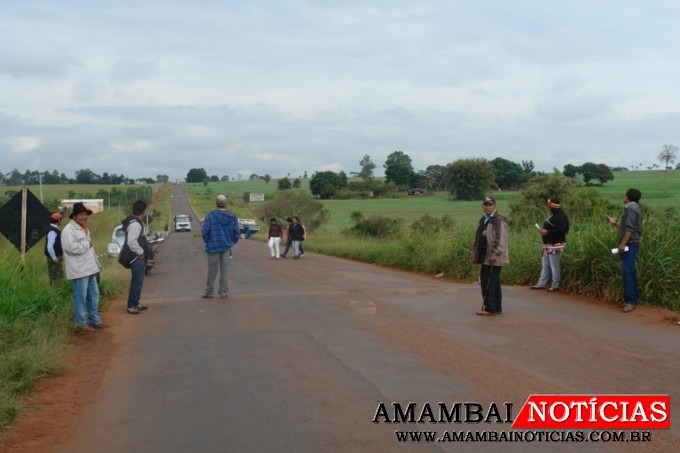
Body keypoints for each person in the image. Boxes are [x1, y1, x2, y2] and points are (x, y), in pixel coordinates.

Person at [61, 202, 105, 329]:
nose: (84, 217)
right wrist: (87, 244)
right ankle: (80, 323)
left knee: (94, 295)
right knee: (81, 296)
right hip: (79, 270)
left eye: (85, 214)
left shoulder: (84, 229)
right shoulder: (68, 230)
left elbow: (88, 249)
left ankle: (94, 319)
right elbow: (71, 248)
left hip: (90, 268)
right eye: (81, 214)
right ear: (74, 216)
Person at [470, 196, 509, 316]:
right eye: (485, 204)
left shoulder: (498, 220)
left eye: (490, 204)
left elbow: (500, 239)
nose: (487, 207)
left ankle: (490, 308)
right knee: (494, 282)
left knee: (488, 282)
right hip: (484, 255)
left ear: (495, 206)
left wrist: (494, 253)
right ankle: (497, 307)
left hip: (494, 257)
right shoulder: (483, 219)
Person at [607, 188, 643, 313]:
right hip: (631, 243)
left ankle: (630, 301)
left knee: (627, 271)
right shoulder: (634, 208)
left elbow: (629, 230)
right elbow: (628, 227)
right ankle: (631, 298)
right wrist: (615, 223)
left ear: (627, 196)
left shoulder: (631, 209)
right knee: (629, 272)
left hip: (630, 244)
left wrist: (622, 244)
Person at [201, 195, 240, 299]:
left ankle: (209, 292)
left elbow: (205, 231)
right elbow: (236, 232)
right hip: (226, 247)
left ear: (216, 203)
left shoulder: (210, 215)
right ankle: (223, 292)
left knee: (212, 270)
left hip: (213, 246)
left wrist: (207, 240)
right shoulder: (232, 216)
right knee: (225, 270)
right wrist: (231, 241)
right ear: (226, 203)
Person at [530, 198, 569, 292]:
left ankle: (555, 285)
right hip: (548, 245)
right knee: (545, 264)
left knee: (554, 265)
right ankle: (541, 284)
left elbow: (561, 231)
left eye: (548, 205)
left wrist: (547, 232)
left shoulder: (560, 218)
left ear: (552, 207)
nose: (547, 207)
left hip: (555, 245)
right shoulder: (553, 216)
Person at [122, 200, 150, 314]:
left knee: (138, 281)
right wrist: (141, 252)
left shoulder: (132, 221)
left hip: (135, 256)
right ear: (143, 211)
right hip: (136, 257)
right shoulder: (135, 224)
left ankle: (135, 302)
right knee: (137, 281)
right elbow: (131, 242)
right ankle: (132, 304)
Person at [45, 212, 64, 285]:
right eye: (61, 219)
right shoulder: (52, 231)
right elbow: (49, 246)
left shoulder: (53, 229)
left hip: (55, 256)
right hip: (55, 257)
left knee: (57, 276)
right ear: (58, 220)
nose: (61, 221)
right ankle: (56, 292)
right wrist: (54, 258)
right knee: (56, 277)